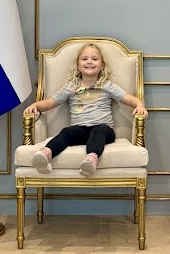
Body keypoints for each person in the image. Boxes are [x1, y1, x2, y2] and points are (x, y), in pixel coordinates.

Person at [25, 42, 148, 177]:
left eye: (94, 59)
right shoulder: (71, 87)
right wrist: (35, 106)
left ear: (102, 66)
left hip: (104, 130)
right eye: (84, 59)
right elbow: (50, 103)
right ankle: (46, 154)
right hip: (80, 130)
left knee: (98, 130)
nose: (89, 62)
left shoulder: (107, 86)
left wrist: (139, 105)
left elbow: (130, 99)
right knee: (67, 132)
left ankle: (91, 158)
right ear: (78, 65)